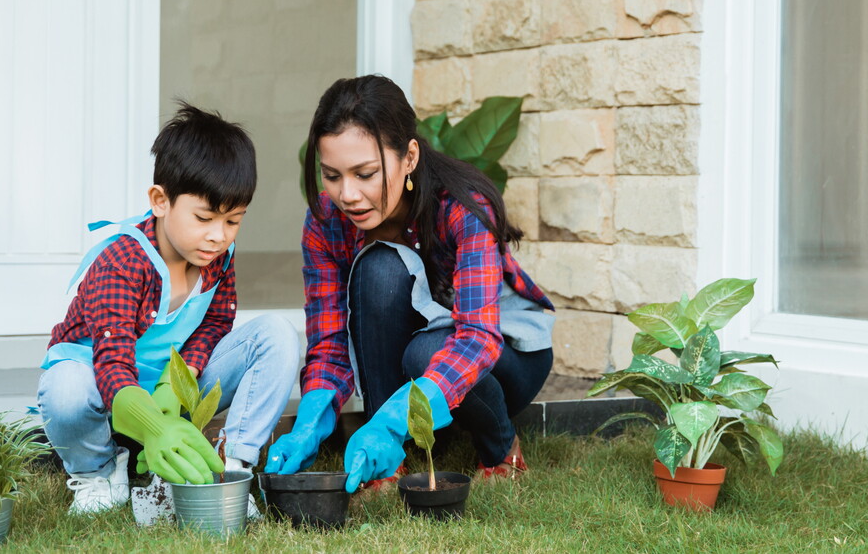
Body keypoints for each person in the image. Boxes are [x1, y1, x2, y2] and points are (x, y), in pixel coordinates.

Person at [264, 75, 555, 492]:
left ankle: (500, 446)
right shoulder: (327, 222)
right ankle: (382, 466)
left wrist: (391, 421)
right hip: (419, 371)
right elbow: (329, 342)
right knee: (379, 267)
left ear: (410, 156)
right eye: (332, 175)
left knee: (427, 351)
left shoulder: (461, 208)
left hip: (504, 358)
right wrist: (311, 422)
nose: (347, 194)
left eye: (365, 173)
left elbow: (478, 338)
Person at [37, 103, 299, 515]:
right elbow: (111, 365)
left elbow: (214, 324)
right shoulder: (123, 263)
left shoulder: (217, 254)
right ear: (160, 200)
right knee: (65, 389)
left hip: (168, 386)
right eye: (204, 218)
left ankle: (230, 469)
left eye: (233, 221)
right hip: (105, 393)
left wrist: (176, 387)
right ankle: (100, 472)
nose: (218, 236)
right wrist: (155, 426)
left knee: (277, 335)